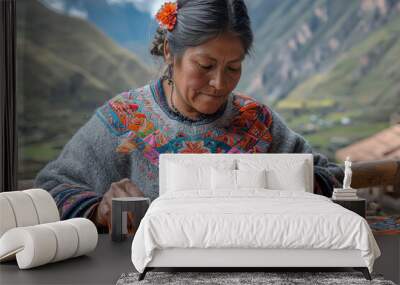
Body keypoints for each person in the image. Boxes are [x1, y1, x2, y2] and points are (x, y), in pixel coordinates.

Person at [34, 0, 344, 232]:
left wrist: (286, 185)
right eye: (205, 66)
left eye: (233, 67)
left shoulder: (256, 122)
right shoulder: (125, 120)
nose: (220, 83)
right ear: (170, 52)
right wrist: (98, 211)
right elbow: (51, 188)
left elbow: (329, 176)